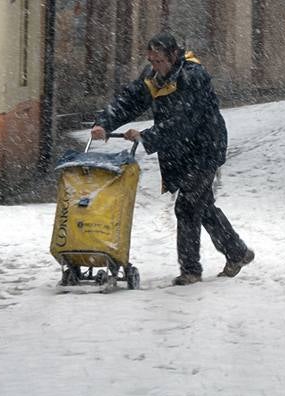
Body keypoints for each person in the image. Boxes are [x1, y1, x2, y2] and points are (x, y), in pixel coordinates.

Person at [91, 33, 254, 286]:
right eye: (151, 60)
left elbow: (185, 121)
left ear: (174, 56)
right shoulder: (154, 77)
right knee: (203, 206)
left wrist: (147, 136)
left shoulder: (193, 77)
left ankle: (191, 271)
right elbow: (131, 99)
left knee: (187, 207)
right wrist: (104, 123)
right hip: (178, 151)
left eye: (159, 61)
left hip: (204, 149)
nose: (154, 66)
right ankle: (237, 252)